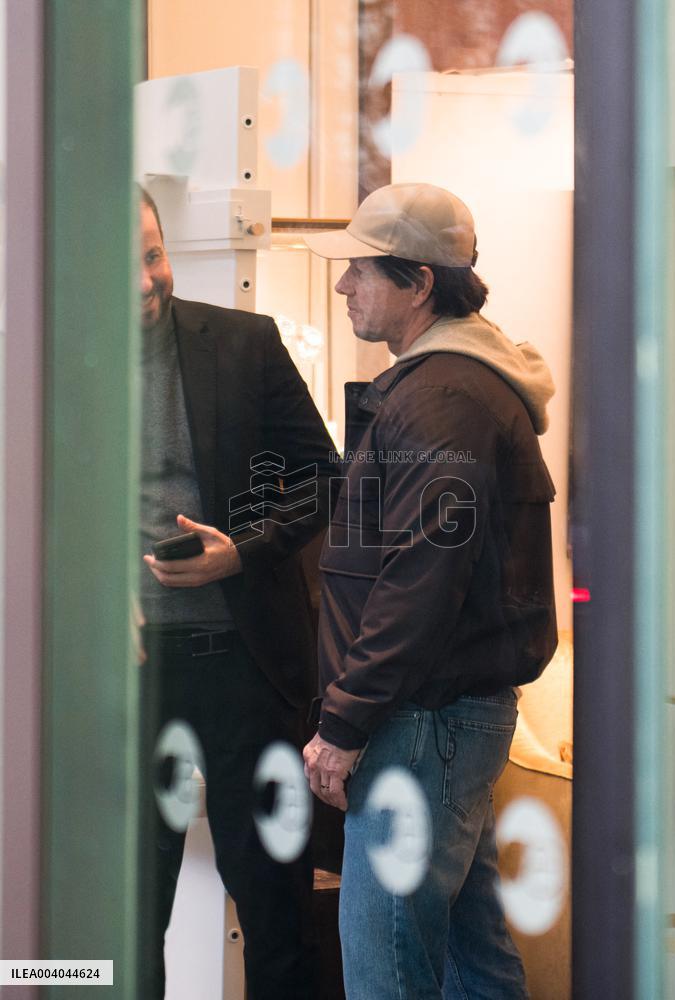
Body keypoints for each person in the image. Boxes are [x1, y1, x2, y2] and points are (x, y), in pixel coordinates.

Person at [302, 182, 558, 999]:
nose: (343, 288)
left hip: (420, 725)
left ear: (417, 282)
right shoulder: (449, 384)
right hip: (439, 720)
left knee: (387, 970)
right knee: (469, 961)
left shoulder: (444, 396)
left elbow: (419, 579)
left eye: (361, 272)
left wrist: (341, 723)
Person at [137, 186, 337, 999]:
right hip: (126, 678)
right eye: (126, 266)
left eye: (153, 255)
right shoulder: (40, 354)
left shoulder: (244, 343)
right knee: (124, 906)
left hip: (245, 670)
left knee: (274, 904)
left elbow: (325, 479)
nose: (149, 279)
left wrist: (240, 553)